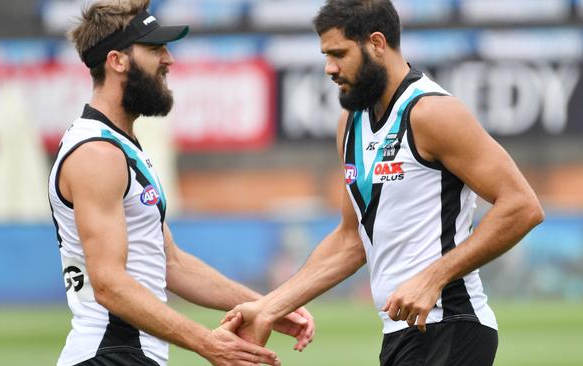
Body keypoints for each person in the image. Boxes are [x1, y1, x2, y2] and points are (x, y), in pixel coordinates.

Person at [223, 1, 544, 365]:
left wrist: (433, 278)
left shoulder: (431, 112)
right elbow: (350, 240)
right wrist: (268, 307)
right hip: (402, 334)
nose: (329, 68)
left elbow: (522, 206)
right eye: (326, 55)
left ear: (377, 43)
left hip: (451, 325)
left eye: (338, 54)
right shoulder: (350, 123)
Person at [48, 1, 314, 365]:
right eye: (155, 49)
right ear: (117, 61)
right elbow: (109, 284)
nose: (169, 60)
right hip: (109, 354)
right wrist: (208, 343)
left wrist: (264, 305)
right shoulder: (96, 152)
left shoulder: (119, 146)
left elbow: (171, 263)